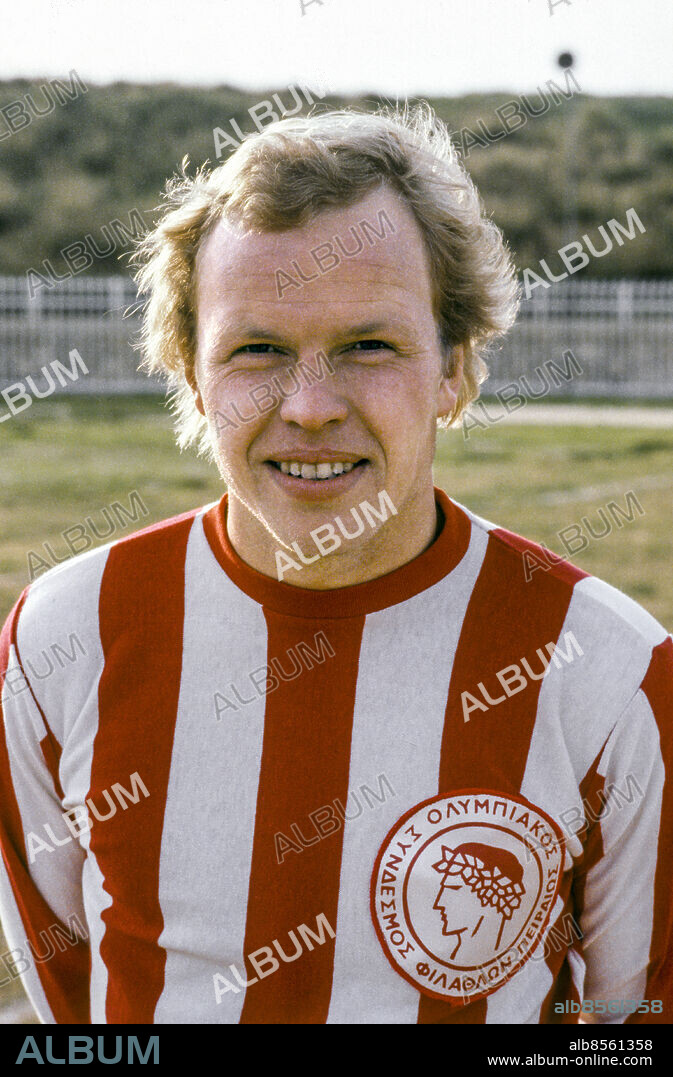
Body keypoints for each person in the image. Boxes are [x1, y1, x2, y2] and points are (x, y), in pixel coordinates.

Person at [0, 104, 671, 1025]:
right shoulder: (61, 640)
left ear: (457, 368)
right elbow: (75, 1010)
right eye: (258, 350)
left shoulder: (610, 669)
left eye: (368, 345)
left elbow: (641, 1025)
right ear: (193, 376)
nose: (309, 405)